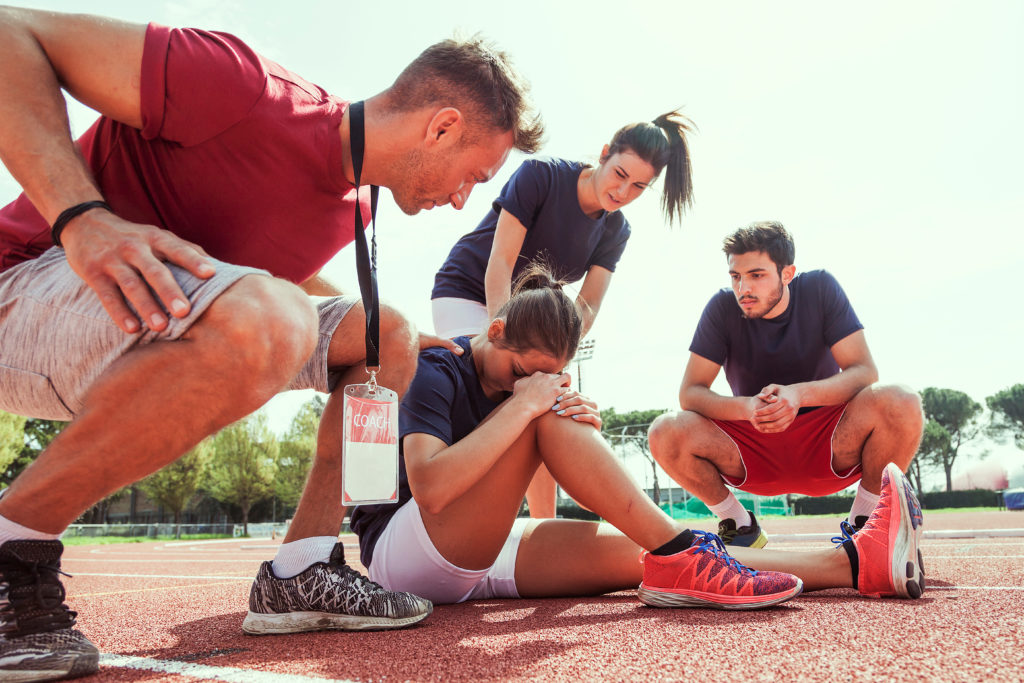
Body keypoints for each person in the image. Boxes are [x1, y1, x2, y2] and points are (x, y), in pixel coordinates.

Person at [0, 6, 543, 679]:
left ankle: (302, 567)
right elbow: (9, 33)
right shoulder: (238, 84)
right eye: (474, 176)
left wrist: (377, 339)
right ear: (441, 127)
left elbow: (275, 273)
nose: (464, 199)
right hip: (26, 284)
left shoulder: (356, 206)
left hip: (148, 319)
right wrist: (83, 221)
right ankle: (11, 548)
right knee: (281, 313)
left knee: (389, 332)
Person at [349, 264, 926, 611]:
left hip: (485, 549)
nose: (530, 383)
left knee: (655, 548)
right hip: (405, 554)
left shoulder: (521, 389)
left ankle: (856, 563)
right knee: (544, 417)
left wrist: (563, 427)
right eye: (524, 370)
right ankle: (682, 554)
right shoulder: (437, 368)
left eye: (548, 374)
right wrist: (532, 410)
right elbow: (429, 486)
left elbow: (513, 470)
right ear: (495, 331)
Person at [430, 111, 694, 517]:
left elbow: (585, 308)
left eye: (640, 186)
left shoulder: (615, 231)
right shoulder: (540, 176)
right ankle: (450, 504)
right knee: (492, 388)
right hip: (470, 291)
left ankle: (542, 525)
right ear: (604, 154)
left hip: (532, 322)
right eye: (620, 174)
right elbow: (499, 263)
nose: (623, 191)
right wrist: (510, 337)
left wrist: (554, 369)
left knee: (547, 404)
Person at [647, 221, 924, 548]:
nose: (743, 289)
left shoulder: (820, 288)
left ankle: (864, 524)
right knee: (664, 430)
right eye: (736, 276)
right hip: (754, 450)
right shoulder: (722, 308)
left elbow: (864, 371)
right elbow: (690, 392)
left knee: (901, 401)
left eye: (757, 275)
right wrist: (748, 407)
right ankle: (739, 525)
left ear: (787, 273)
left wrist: (798, 394)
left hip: (830, 443)